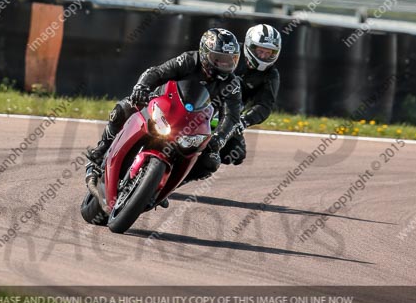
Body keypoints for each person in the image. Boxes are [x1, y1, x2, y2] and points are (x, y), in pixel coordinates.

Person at [86, 28, 242, 189]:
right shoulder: (188, 60)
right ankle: (101, 150)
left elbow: (232, 116)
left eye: (230, 60)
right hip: (163, 107)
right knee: (123, 108)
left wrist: (220, 138)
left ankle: (169, 185)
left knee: (211, 161)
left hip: (194, 125)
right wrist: (142, 87)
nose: (224, 65)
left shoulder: (232, 84)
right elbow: (157, 72)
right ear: (204, 53)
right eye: (219, 59)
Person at [220, 24, 281, 167]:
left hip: (229, 116)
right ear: (250, 46)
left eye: (269, 53)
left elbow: (264, 105)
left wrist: (244, 121)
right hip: (203, 102)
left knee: (235, 154)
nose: (264, 56)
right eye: (260, 51)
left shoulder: (271, 75)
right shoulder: (230, 51)